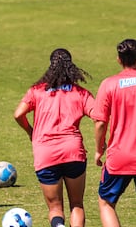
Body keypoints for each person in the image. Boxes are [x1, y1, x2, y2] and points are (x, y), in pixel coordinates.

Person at [13, 48, 94, 227]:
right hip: (73, 151)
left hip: (45, 153)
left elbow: (18, 114)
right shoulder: (80, 92)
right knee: (77, 204)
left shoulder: (37, 90)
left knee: (55, 208)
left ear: (50, 67)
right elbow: (98, 115)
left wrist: (30, 131)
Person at [91, 38, 136, 227]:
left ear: (119, 60)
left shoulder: (109, 84)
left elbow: (100, 123)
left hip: (120, 156)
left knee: (106, 203)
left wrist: (98, 150)